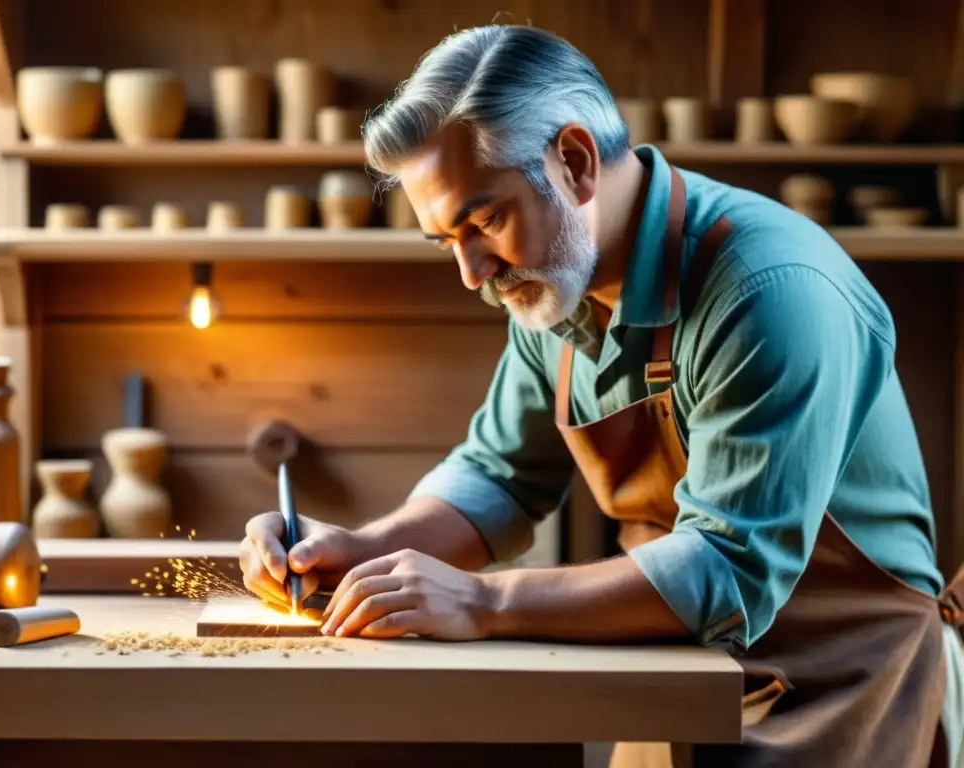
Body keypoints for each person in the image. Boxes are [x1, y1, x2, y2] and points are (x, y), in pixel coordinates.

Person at [240, 24, 964, 767]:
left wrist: (482, 602)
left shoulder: (768, 290)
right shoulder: (552, 284)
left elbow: (725, 572)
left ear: (575, 162)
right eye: (445, 241)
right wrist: (365, 549)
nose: (471, 272)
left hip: (840, 690)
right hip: (667, 670)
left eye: (485, 220)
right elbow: (499, 476)